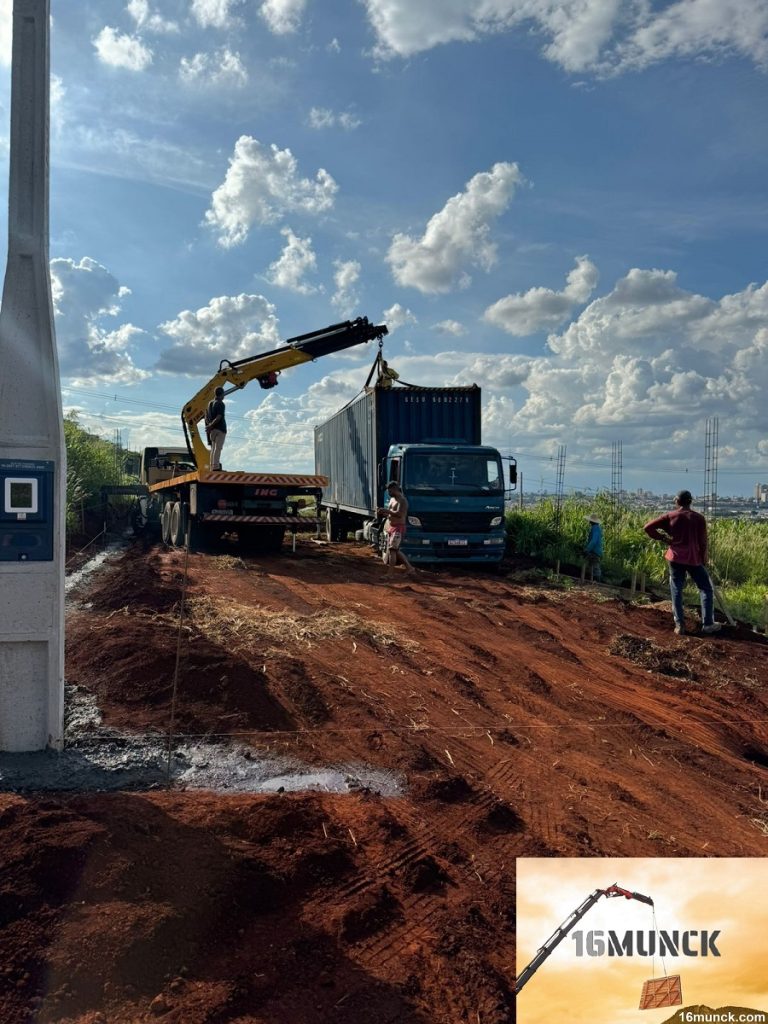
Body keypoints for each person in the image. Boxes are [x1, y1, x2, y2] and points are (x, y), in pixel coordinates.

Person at [643, 490, 722, 636]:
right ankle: (708, 624)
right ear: (690, 501)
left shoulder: (670, 516)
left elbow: (648, 527)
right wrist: (704, 557)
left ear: (677, 501)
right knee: (705, 588)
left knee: (676, 589)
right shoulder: (698, 518)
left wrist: (664, 539)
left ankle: (680, 625)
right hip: (693, 558)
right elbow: (703, 541)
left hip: (675, 557)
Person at [377, 481, 415, 574]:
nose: (389, 494)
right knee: (395, 550)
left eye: (390, 491)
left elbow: (400, 514)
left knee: (392, 550)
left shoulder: (403, 500)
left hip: (398, 528)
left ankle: (390, 574)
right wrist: (383, 512)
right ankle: (410, 568)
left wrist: (387, 511)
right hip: (391, 527)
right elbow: (391, 513)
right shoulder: (392, 499)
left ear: (395, 489)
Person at [205, 386, 227, 471]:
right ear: (221, 394)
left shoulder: (210, 403)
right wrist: (211, 425)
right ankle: (216, 467)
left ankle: (212, 466)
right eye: (223, 394)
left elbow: (206, 415)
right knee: (218, 448)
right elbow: (219, 417)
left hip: (212, 430)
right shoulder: (221, 403)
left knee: (213, 449)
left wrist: (209, 425)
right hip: (220, 429)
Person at [584, 513, 604, 582]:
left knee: (595, 568)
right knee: (591, 567)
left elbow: (594, 541)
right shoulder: (597, 528)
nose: (589, 521)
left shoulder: (595, 528)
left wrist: (587, 549)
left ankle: (597, 582)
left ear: (592, 521)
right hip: (596, 550)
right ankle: (593, 581)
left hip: (594, 551)